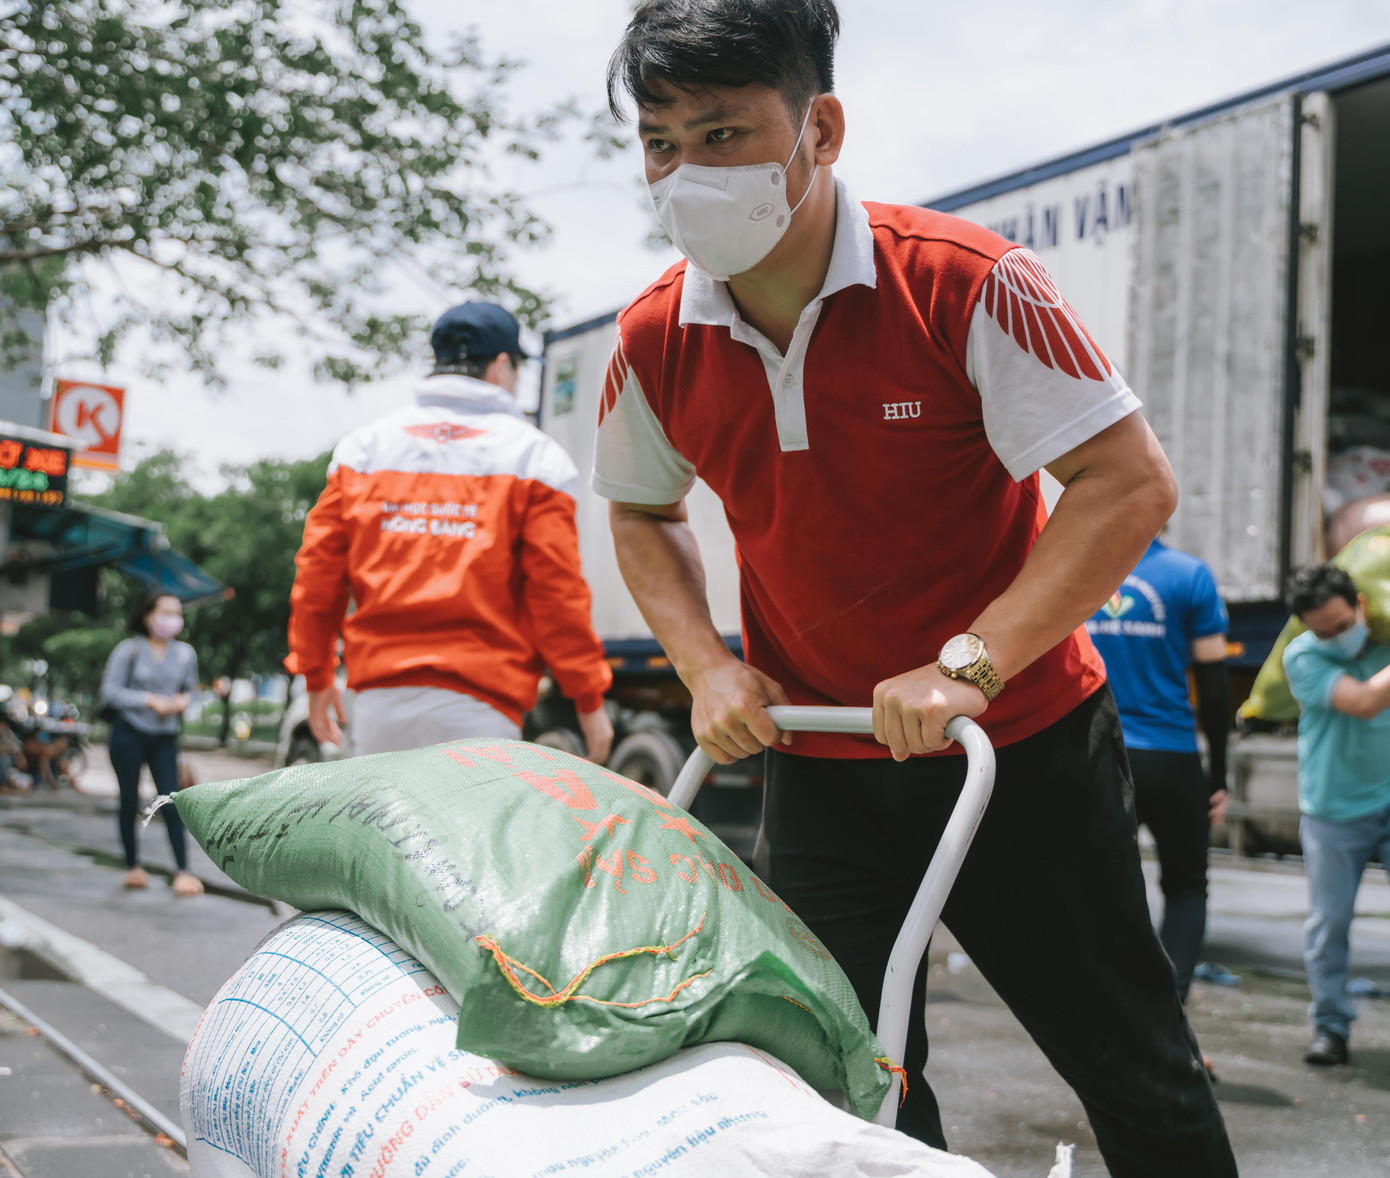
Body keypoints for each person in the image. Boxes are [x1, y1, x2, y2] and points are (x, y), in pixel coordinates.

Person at [596, 3, 1236, 1173]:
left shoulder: (963, 282)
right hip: (822, 763)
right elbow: (640, 515)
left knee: (1130, 1065)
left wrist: (967, 666)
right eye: (659, 142)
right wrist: (705, 662)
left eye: (725, 133)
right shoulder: (652, 341)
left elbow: (1126, 484)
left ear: (819, 129)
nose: (686, 174)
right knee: (849, 1080)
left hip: (1020, 754)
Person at [286, 302, 614, 760]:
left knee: (384, 832)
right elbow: (556, 594)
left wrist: (317, 677)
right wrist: (588, 697)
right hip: (483, 708)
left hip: (380, 704)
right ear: (502, 366)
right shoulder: (536, 458)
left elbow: (316, 579)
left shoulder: (362, 450)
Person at [1086, 537, 1231, 1004]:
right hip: (1171, 756)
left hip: (1098, 751)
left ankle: (1115, 1013)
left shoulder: (1081, 568)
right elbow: (1214, 688)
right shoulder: (1189, 575)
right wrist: (1219, 776)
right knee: (1187, 887)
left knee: (1103, 885)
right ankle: (1171, 1011)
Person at [1283, 563, 1390, 1067]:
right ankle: (1330, 1028)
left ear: (1363, 606)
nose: (1337, 638)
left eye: (1344, 625)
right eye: (1324, 631)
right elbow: (1366, 702)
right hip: (1333, 808)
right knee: (1329, 925)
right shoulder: (1302, 656)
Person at [99, 592, 202, 896]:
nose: (173, 618)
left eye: (178, 612)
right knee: (129, 799)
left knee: (171, 801)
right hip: (128, 732)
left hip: (165, 736)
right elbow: (111, 691)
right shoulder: (128, 650)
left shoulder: (185, 654)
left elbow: (193, 691)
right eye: (166, 611)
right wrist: (148, 700)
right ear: (149, 616)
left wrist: (183, 701)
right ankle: (133, 866)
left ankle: (184, 871)